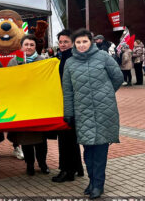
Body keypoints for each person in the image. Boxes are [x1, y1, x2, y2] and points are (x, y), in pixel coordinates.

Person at [62, 29, 123, 199]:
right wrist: (68, 113)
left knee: (101, 149)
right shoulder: (70, 63)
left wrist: (107, 93)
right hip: (83, 112)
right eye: (78, 42)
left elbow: (118, 77)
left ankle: (98, 184)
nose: (81, 45)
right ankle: (92, 181)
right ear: (74, 44)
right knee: (88, 150)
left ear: (91, 42)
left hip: (105, 110)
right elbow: (68, 91)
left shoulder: (103, 56)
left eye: (85, 41)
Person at [7, 34, 49, 176]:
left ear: (35, 46)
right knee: (26, 139)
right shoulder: (14, 62)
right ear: (21, 46)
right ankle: (29, 165)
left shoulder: (43, 61)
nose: (29, 47)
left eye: (32, 45)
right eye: (26, 45)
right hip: (22, 107)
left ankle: (42, 163)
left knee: (41, 139)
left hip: (38, 106)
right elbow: (9, 83)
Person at [52, 29, 84, 183]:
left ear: (72, 43)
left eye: (66, 42)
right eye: (61, 42)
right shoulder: (61, 57)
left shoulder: (71, 59)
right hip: (65, 103)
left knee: (66, 140)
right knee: (71, 138)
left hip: (70, 105)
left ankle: (67, 171)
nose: (62, 44)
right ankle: (77, 167)